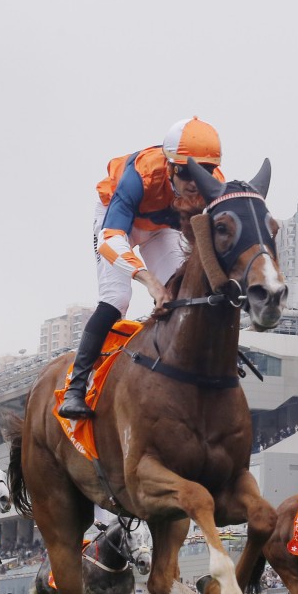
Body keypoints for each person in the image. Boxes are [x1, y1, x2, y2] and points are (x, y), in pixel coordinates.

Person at [58, 117, 226, 419]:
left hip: (161, 228)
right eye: (187, 173)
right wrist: (148, 280)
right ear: (171, 165)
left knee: (179, 293)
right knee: (117, 298)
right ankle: (76, 387)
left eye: (205, 172)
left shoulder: (213, 188)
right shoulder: (141, 176)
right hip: (118, 223)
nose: (194, 182)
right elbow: (110, 241)